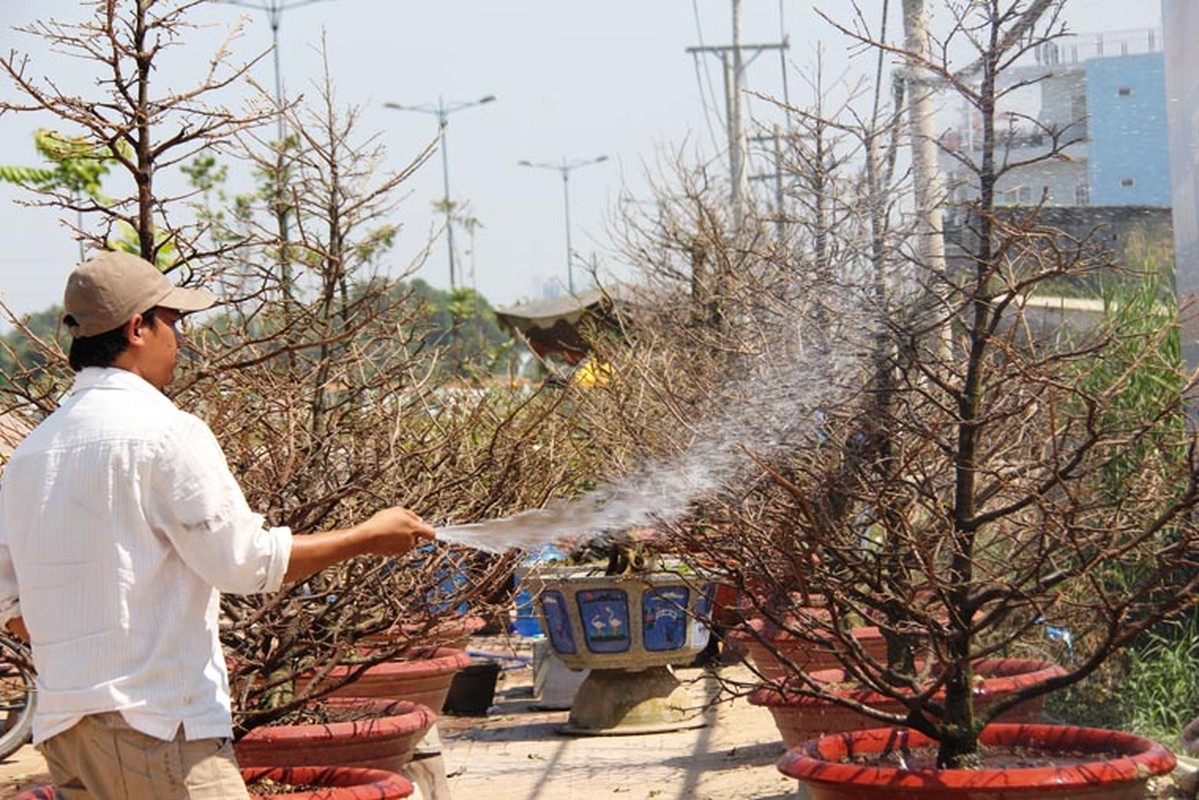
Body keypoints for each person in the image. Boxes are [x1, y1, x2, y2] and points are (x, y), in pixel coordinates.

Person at [0, 251, 437, 799]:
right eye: (173, 324)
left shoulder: (32, 453)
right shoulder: (165, 432)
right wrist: (366, 538)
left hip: (67, 730)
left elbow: (12, 607)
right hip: (156, 725)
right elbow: (243, 562)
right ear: (138, 328)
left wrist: (88, 647)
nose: (179, 342)